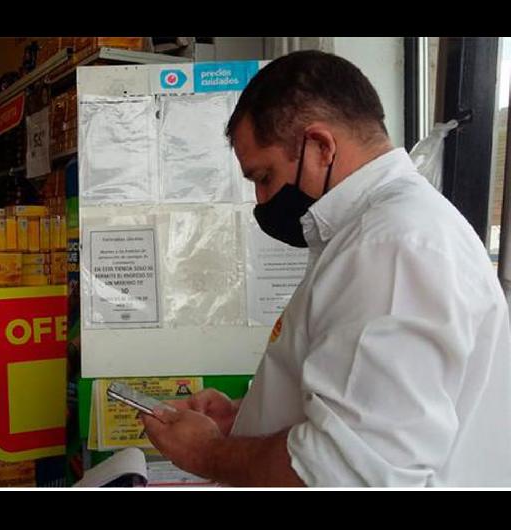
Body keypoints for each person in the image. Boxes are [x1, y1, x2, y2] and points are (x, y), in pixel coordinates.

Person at [141, 50, 511, 487]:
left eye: (263, 177)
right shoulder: (379, 233)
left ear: (320, 146)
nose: (261, 200)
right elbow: (364, 412)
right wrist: (248, 418)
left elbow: (347, 472)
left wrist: (209, 453)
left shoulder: (392, 246)